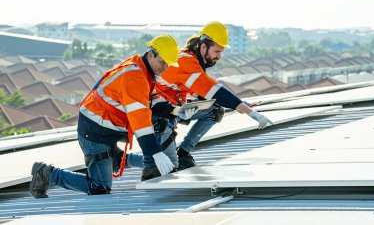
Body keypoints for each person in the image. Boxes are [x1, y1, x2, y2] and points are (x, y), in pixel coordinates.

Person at [29, 34, 183, 198]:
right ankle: (46, 173)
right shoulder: (134, 76)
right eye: (162, 62)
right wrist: (156, 153)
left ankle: (117, 158)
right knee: (99, 187)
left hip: (107, 127)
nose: (165, 67)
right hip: (95, 131)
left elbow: (149, 102)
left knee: (156, 127)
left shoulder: (142, 70)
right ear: (151, 54)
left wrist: (176, 111)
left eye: (168, 64)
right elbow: (140, 119)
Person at [127, 21, 273, 178]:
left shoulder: (193, 62)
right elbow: (216, 92)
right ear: (204, 47)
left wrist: (241, 104)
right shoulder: (186, 62)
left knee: (215, 110)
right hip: (158, 115)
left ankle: (183, 152)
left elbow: (209, 94)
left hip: (174, 111)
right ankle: (123, 159)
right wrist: (251, 113)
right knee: (167, 168)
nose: (219, 56)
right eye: (217, 51)